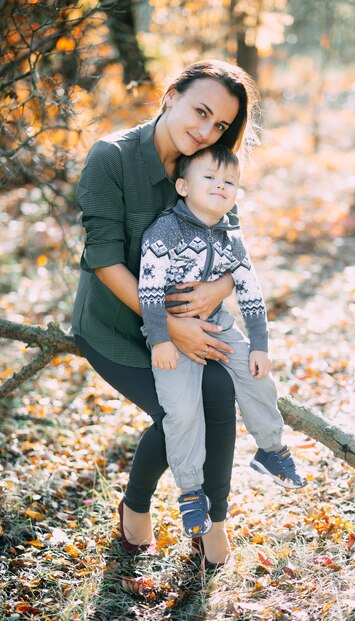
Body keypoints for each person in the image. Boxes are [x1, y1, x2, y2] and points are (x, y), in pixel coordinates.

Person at [71, 59, 260, 568]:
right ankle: (134, 508)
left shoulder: (209, 163)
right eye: (199, 111)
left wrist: (218, 286)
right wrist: (168, 324)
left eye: (220, 125)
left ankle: (212, 523)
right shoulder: (112, 158)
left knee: (219, 394)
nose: (205, 131)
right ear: (171, 95)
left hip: (189, 326)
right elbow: (104, 259)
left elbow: (233, 249)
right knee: (175, 412)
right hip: (115, 325)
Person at [139, 145, 306, 539]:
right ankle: (191, 490)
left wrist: (260, 344)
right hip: (171, 333)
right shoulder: (163, 232)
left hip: (217, 325)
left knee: (257, 377)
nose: (221, 186)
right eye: (209, 178)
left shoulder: (231, 235)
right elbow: (147, 291)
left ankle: (270, 449)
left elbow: (250, 290)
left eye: (229, 181)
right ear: (182, 186)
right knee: (181, 411)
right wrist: (160, 340)